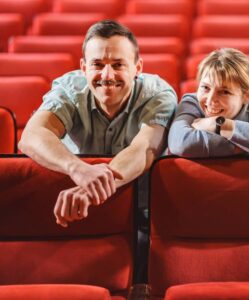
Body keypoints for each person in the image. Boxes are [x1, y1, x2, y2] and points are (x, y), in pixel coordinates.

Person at [18, 20, 177, 227]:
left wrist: (89, 189)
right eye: (98, 64)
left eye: (118, 64)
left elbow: (144, 149)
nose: (107, 76)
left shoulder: (158, 95)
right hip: (73, 209)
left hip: (139, 211)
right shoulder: (69, 90)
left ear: (138, 68)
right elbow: (32, 136)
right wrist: (77, 169)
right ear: (84, 68)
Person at [168, 48, 249, 161]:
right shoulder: (191, 102)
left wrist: (219, 125)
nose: (210, 100)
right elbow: (180, 143)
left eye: (224, 92)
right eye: (205, 88)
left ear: (247, 95)